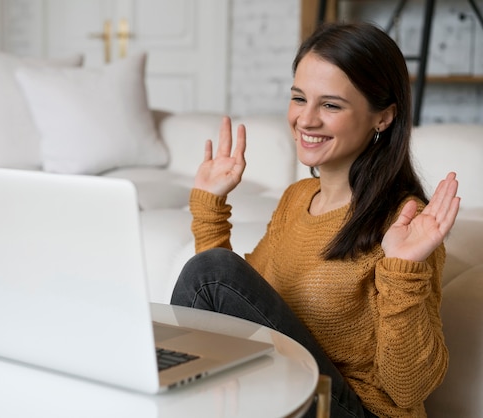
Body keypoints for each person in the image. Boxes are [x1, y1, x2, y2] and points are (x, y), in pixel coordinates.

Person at [170, 21, 460, 418]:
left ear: (384, 117)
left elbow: (407, 388)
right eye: (298, 98)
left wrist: (403, 271)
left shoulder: (407, 224)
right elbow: (228, 309)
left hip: (357, 410)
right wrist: (211, 206)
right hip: (287, 393)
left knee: (212, 272)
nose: (305, 120)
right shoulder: (297, 199)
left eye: (330, 105)